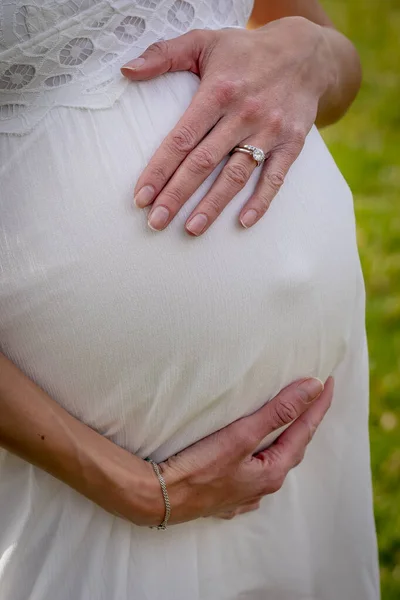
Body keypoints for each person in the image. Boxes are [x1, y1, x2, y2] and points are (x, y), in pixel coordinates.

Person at [0, 1, 379, 599]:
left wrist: (310, 52)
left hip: (300, 454)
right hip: (79, 482)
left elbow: (339, 67)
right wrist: (141, 489)